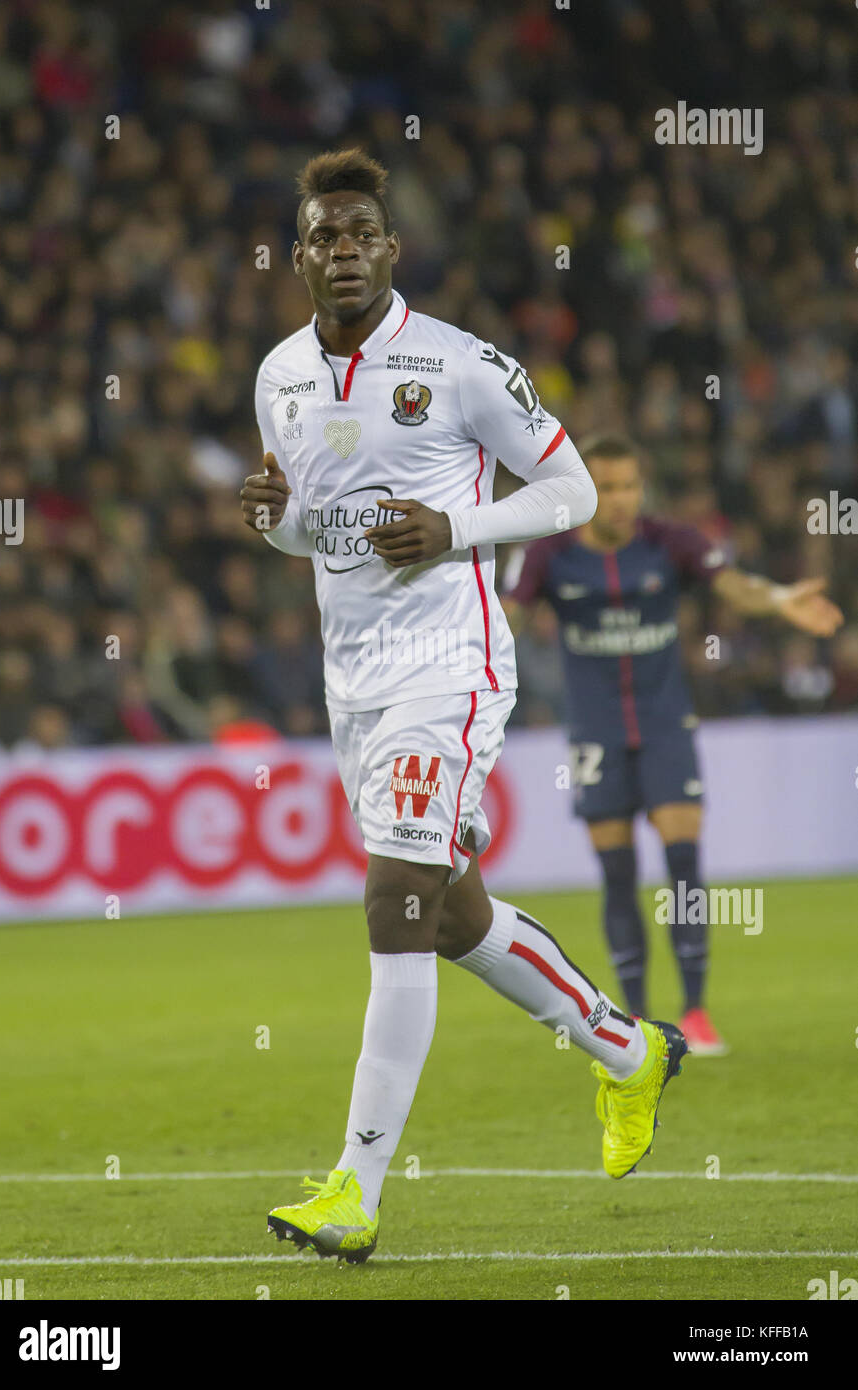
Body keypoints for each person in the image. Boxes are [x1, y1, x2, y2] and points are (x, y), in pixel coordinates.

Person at [240, 152, 688, 1264]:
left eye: (360, 234)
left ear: (390, 249)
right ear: (297, 258)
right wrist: (273, 521)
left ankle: (357, 1184)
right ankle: (630, 1052)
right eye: (322, 237)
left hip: (453, 661)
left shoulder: (461, 366)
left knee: (393, 897)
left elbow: (572, 492)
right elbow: (315, 529)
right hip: (355, 676)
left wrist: (458, 529)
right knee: (447, 914)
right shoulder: (278, 377)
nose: (342, 251)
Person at [503, 435, 844, 1054]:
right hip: (595, 732)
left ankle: (695, 1010)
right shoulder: (547, 553)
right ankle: (634, 1020)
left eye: (629, 486)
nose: (620, 500)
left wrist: (776, 598)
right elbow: (507, 615)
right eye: (606, 487)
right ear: (582, 490)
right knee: (617, 871)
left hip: (665, 725)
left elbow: (732, 585)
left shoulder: (671, 541)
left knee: (684, 861)